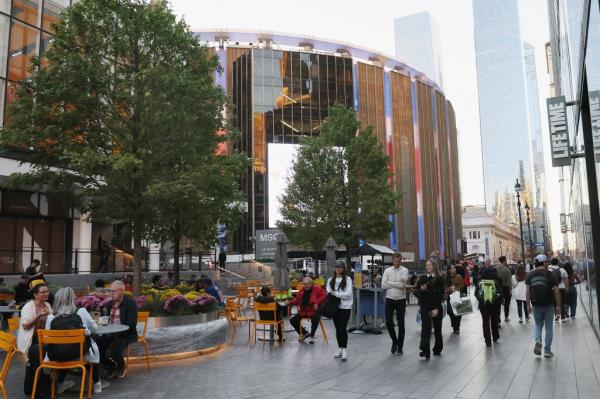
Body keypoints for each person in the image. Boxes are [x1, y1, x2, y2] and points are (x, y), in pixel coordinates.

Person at [45, 287, 109, 394]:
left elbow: (48, 338)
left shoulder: (51, 317)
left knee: (65, 349)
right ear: (73, 299)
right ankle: (96, 383)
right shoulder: (81, 311)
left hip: (56, 356)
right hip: (79, 354)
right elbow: (95, 329)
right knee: (90, 348)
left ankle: (60, 384)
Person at [17, 284, 56, 395]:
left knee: (51, 354)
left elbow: (51, 322)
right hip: (31, 339)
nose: (46, 294)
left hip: (45, 338)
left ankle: (46, 385)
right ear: (35, 294)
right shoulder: (28, 306)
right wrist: (38, 315)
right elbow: (25, 326)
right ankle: (32, 388)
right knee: (37, 356)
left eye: (47, 291)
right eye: (43, 292)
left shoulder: (47, 304)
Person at [98, 280, 138, 379]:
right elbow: (104, 320)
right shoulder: (109, 304)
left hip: (125, 334)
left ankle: (121, 366)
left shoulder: (130, 304)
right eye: (110, 291)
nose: (111, 293)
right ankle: (111, 366)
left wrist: (118, 331)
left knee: (114, 350)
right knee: (95, 348)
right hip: (109, 334)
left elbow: (131, 324)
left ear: (121, 291)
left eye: (113, 291)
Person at [526, 254, 561, 357]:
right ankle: (547, 350)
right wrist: (558, 306)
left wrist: (528, 305)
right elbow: (557, 291)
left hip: (536, 304)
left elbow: (528, 292)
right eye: (547, 262)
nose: (547, 263)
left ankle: (538, 340)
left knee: (538, 324)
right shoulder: (550, 274)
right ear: (544, 263)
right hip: (549, 304)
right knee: (549, 327)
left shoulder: (530, 275)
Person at [415, 259, 445, 359]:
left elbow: (440, 295)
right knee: (425, 329)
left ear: (434, 266)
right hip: (425, 307)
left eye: (429, 265)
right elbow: (416, 291)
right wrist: (421, 290)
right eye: (426, 265)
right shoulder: (422, 278)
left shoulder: (439, 279)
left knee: (437, 329)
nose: (427, 267)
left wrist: (436, 308)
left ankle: (437, 349)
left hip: (435, 306)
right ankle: (425, 350)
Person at [381, 252, 409, 354]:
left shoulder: (404, 270)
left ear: (400, 261)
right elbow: (383, 285)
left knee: (401, 323)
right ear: (392, 260)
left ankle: (400, 346)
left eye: (398, 261)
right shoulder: (387, 271)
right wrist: (396, 284)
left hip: (401, 299)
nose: (396, 263)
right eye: (395, 261)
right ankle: (394, 341)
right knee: (388, 322)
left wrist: (389, 283)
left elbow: (402, 286)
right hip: (390, 298)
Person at [327, 260, 353, 361]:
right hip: (335, 308)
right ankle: (340, 348)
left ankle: (344, 348)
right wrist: (336, 294)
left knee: (343, 328)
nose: (338, 269)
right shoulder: (330, 280)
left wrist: (336, 294)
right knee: (338, 329)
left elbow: (348, 294)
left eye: (340, 267)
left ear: (343, 269)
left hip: (345, 307)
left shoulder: (348, 279)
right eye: (337, 267)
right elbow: (329, 293)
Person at [288, 277, 327, 343]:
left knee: (316, 318)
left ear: (311, 283)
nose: (306, 285)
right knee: (292, 320)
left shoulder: (317, 288)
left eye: (308, 284)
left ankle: (312, 335)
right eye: (305, 284)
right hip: (304, 312)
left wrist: (317, 302)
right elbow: (297, 301)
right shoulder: (301, 291)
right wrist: (289, 302)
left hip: (314, 311)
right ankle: (305, 333)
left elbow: (325, 296)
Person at [475, 258, 503, 347]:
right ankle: (495, 336)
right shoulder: (495, 282)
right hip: (494, 305)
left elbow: (476, 294)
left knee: (485, 322)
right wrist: (496, 299)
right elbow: (501, 293)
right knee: (494, 321)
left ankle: (487, 340)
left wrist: (481, 300)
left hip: (483, 305)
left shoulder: (480, 282)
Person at [445, 264, 465, 334]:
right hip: (449, 297)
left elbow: (462, 285)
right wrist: (449, 289)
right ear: (449, 270)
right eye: (453, 268)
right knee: (450, 312)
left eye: (454, 268)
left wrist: (456, 289)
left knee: (458, 313)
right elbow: (444, 288)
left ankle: (457, 327)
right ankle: (454, 325)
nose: (454, 269)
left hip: (457, 297)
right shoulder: (446, 278)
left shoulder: (459, 276)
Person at [496, 256, 513, 323]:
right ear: (504, 261)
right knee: (506, 303)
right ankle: (506, 317)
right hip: (505, 288)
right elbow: (509, 282)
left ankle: (498, 320)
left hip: (498, 288)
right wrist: (510, 290)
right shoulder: (507, 270)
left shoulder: (496, 269)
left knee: (498, 304)